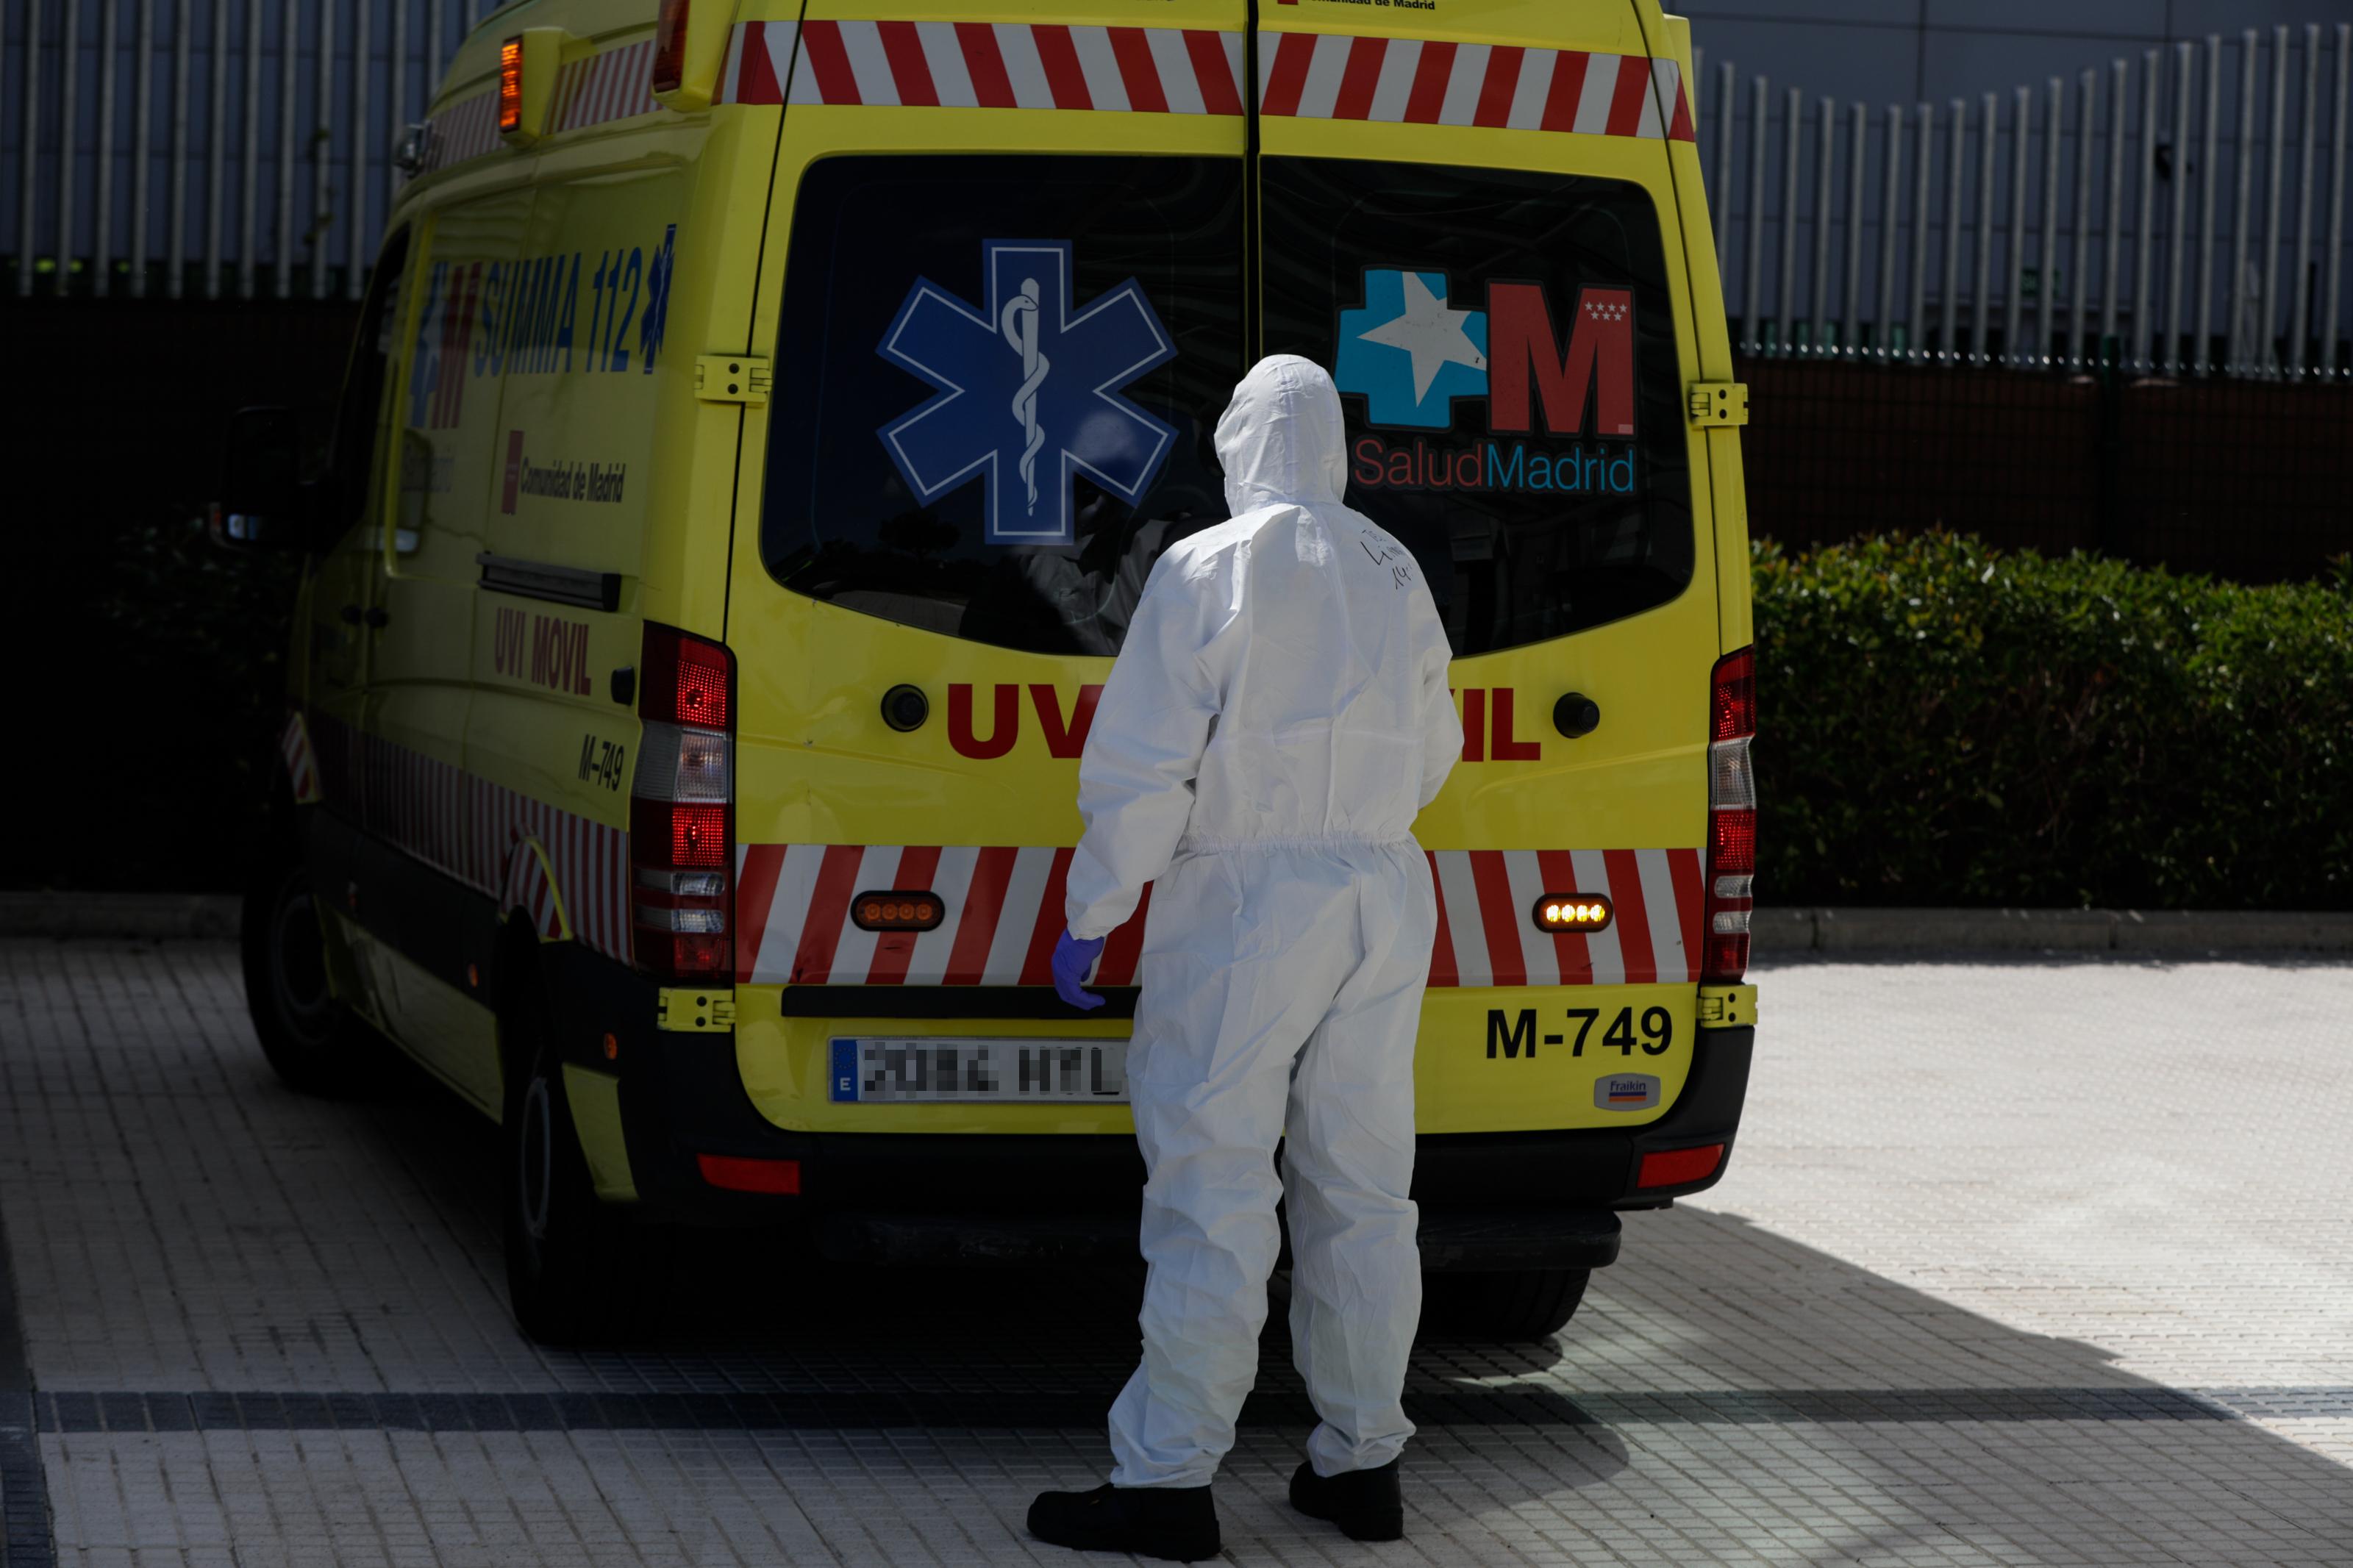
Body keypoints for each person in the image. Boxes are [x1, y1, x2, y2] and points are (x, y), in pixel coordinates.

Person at [1027, 356, 1462, 1561]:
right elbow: (1438, 745)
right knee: (1365, 1189)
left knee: (1216, 1186)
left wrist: (1096, 905)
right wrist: (1360, 820)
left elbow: (1144, 763)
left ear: (1237, 446)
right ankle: (1362, 1464)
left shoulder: (1206, 567)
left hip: (1246, 903)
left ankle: (1167, 1483)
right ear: (1332, 445)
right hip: (1382, 889)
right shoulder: (1394, 567)